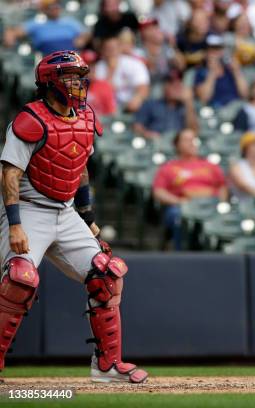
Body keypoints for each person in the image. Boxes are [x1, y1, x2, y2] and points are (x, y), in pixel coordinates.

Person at [0, 50, 147, 383]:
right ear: (51, 83)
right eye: (70, 77)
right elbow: (9, 174)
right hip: (28, 207)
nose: (79, 84)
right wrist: (15, 224)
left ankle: (107, 366)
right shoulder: (30, 119)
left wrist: (89, 220)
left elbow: (78, 170)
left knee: (107, 276)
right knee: (20, 280)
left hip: (65, 211)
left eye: (81, 77)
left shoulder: (84, 118)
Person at [153, 128, 228, 250]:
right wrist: (179, 201)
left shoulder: (210, 166)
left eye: (193, 139)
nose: (191, 143)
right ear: (177, 145)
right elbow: (159, 192)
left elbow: (222, 186)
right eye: (186, 140)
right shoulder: (168, 168)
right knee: (177, 215)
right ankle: (181, 254)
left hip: (210, 205)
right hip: (183, 205)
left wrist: (221, 203)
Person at [3, 0, 89, 55]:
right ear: (44, 9)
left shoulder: (70, 22)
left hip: (70, 59)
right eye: (51, 7)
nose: (54, 9)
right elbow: (14, 32)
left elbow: (86, 34)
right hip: (47, 59)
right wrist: (9, 36)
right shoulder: (37, 24)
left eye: (56, 6)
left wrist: (82, 39)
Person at [134, 70, 198, 139]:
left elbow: (194, 130)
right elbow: (137, 126)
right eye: (172, 84)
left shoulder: (185, 107)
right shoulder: (150, 104)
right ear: (164, 87)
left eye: (179, 85)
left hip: (177, 143)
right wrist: (146, 134)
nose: (176, 88)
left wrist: (188, 102)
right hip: (155, 143)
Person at [95, 36, 150, 112]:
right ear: (103, 51)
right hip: (109, 109)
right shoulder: (100, 66)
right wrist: (111, 70)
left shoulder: (133, 63)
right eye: (108, 49)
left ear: (120, 48)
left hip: (131, 107)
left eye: (114, 48)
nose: (111, 51)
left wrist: (137, 98)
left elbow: (143, 87)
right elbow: (102, 91)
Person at [194, 34, 249, 107]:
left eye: (218, 48)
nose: (215, 52)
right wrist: (212, 72)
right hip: (216, 110)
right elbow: (204, 98)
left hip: (237, 107)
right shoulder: (200, 72)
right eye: (211, 49)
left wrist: (237, 71)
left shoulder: (230, 69)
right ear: (206, 52)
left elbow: (245, 94)